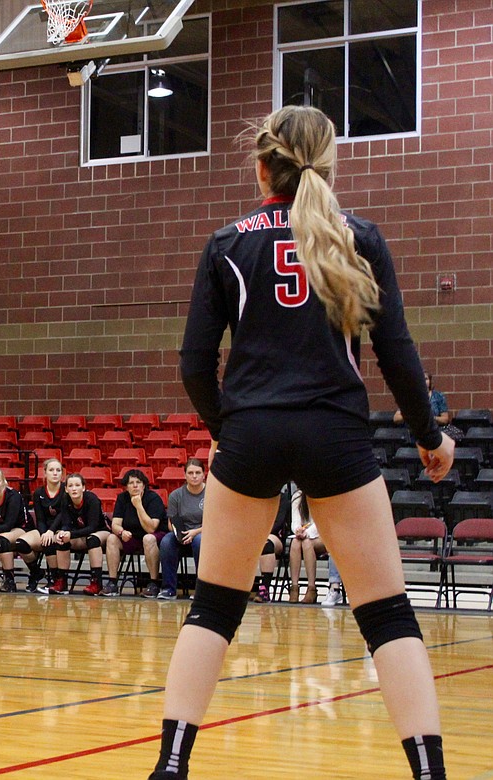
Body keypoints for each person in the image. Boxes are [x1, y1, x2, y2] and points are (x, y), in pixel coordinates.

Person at [149, 106, 454, 780]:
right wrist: (431, 437)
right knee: (387, 615)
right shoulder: (360, 237)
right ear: (328, 164)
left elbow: (196, 364)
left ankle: (170, 767)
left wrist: (232, 432)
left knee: (214, 609)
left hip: (252, 431)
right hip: (336, 434)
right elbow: (397, 355)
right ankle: (429, 773)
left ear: (262, 167)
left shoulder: (228, 241)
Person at [104, 468, 168, 597]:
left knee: (148, 538)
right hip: (131, 537)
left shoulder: (153, 498)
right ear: (126, 487)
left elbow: (151, 528)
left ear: (144, 485)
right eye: (131, 483)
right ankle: (112, 583)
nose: (135, 485)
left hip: (155, 537)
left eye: (138, 482)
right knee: (112, 538)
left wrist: (138, 506)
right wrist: (121, 532)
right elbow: (115, 524)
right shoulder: (122, 498)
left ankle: (153, 583)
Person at [50, 472, 109, 594]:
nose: (74, 488)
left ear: (83, 487)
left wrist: (71, 534)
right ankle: (62, 581)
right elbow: (66, 523)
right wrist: (64, 533)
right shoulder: (65, 499)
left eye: (77, 485)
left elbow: (92, 527)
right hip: (79, 534)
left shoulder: (92, 499)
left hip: (101, 532)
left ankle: (96, 582)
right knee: (61, 539)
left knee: (92, 539)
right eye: (70, 486)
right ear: (66, 489)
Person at [159, 458, 206, 600]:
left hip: (205, 533)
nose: (194, 476)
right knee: (166, 541)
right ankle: (169, 589)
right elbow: (170, 523)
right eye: (190, 473)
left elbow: (217, 523)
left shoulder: (212, 494)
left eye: (198, 472)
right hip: (183, 534)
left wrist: (195, 532)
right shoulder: (176, 495)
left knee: (199, 540)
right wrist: (180, 534)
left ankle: (201, 590)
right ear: (185, 475)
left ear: (204, 475)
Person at [20, 457, 65, 592]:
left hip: (62, 527)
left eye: (58, 470)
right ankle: (36, 572)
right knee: (21, 544)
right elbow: (40, 518)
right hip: (44, 527)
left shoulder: (66, 490)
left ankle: (55, 579)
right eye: (51, 470)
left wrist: (50, 532)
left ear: (62, 474)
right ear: (45, 473)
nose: (55, 473)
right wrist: (44, 532)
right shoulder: (39, 493)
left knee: (49, 542)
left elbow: (63, 515)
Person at [287, 485, 325, 604]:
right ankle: (294, 588)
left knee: (306, 543)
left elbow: (322, 521)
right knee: (295, 543)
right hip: (304, 537)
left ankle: (311, 588)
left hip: (323, 536)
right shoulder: (298, 496)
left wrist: (306, 533)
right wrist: (298, 530)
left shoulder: (323, 494)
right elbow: (295, 520)